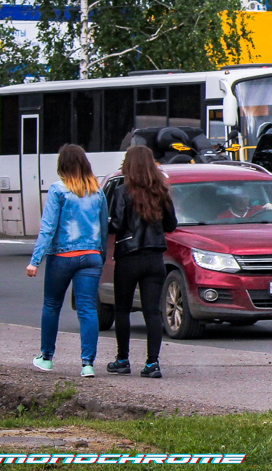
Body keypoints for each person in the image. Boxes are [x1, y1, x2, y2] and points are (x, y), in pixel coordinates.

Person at [27, 145, 107, 377]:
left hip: (62, 256)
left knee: (52, 306)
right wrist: (99, 255)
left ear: (62, 165)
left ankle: (46, 357)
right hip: (91, 256)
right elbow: (103, 228)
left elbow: (48, 228)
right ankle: (87, 364)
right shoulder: (97, 192)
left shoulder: (58, 190)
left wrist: (35, 260)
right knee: (87, 309)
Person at [105, 146, 176, 379]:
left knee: (123, 310)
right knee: (152, 313)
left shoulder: (121, 191)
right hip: (154, 258)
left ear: (129, 165)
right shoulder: (161, 192)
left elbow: (115, 225)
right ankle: (152, 364)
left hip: (128, 256)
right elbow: (171, 225)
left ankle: (123, 360)